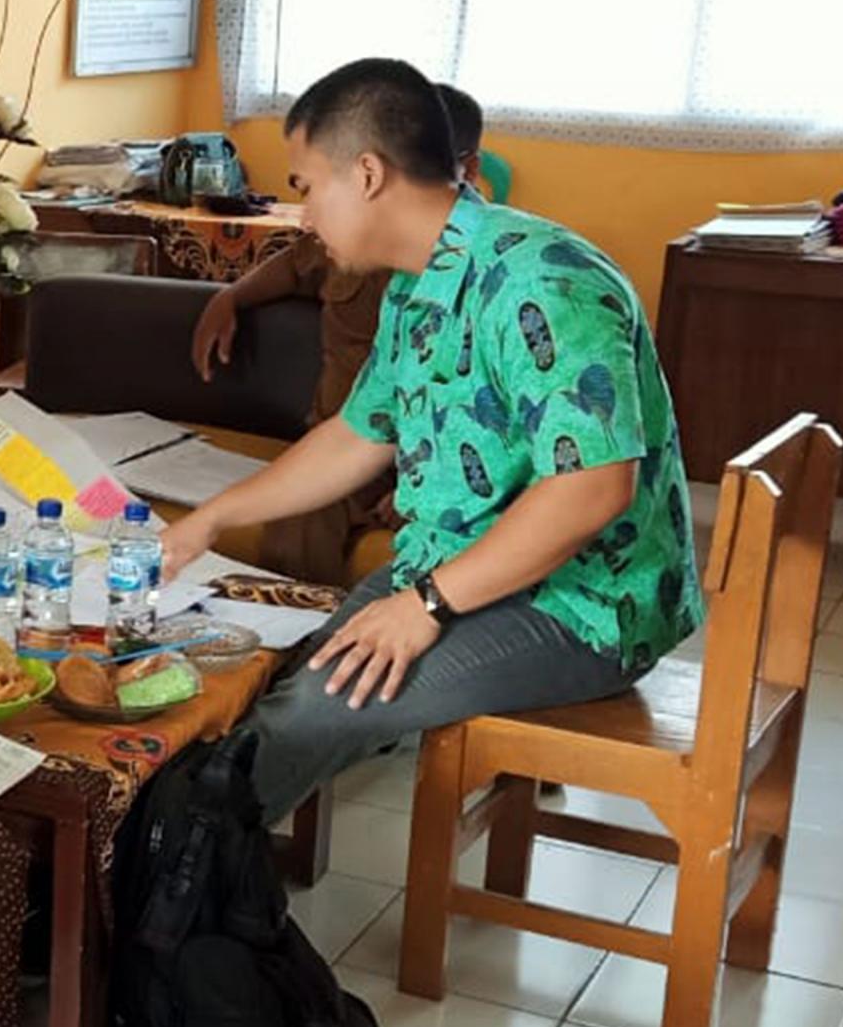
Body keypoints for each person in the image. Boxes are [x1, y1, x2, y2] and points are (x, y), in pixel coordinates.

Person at [162, 59, 701, 824]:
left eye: (307, 187)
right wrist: (212, 518)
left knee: (319, 702)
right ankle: (203, 883)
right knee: (272, 676)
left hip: (585, 606)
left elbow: (593, 489)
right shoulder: (416, 286)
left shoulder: (543, 280)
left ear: (369, 174)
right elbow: (356, 435)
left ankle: (173, 889)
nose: (303, 216)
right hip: (461, 571)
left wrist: (426, 605)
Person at [190, 82, 488, 586]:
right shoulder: (366, 260)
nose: (305, 216)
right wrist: (230, 297)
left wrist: (428, 485)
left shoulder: (505, 279)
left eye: (309, 189)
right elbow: (364, 424)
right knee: (297, 519)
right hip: (358, 453)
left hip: (461, 489)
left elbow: (577, 480)